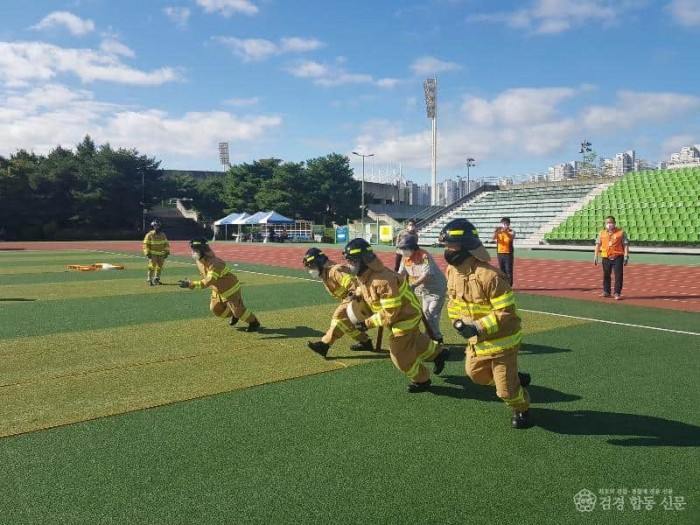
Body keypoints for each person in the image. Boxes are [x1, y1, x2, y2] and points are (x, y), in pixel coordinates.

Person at [439, 218, 532, 429]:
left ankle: (523, 409)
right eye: (445, 246)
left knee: (506, 392)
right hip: (477, 342)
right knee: (476, 376)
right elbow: (453, 301)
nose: (447, 251)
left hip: (502, 342)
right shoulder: (452, 271)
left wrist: (478, 327)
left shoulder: (490, 277)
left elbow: (506, 313)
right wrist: (457, 321)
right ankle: (514, 379)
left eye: (451, 246)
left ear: (466, 247)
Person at [342, 238, 448, 393]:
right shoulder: (366, 274)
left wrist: (367, 323)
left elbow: (390, 313)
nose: (349, 264)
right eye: (348, 260)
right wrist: (357, 293)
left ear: (363, 261)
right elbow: (365, 289)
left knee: (399, 355)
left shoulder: (383, 281)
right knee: (415, 340)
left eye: (352, 261)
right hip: (403, 315)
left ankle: (422, 380)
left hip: (405, 318)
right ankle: (438, 354)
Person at [303, 247, 374, 357]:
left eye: (312, 266)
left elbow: (353, 284)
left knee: (339, 315)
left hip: (359, 299)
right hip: (352, 301)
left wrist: (352, 296)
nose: (310, 270)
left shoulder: (335, 271)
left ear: (319, 263)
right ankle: (365, 342)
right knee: (344, 324)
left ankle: (324, 344)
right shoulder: (325, 275)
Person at [179, 238, 260, 332]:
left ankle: (254, 323)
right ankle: (234, 313)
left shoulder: (214, 263)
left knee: (239, 313)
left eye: (195, 250)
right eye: (192, 250)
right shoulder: (199, 261)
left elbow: (207, 282)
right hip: (217, 290)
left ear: (203, 251)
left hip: (230, 290)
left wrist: (190, 284)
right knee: (215, 309)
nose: (193, 253)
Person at [397, 237, 447, 345]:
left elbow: (427, 275)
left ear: (412, 248)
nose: (402, 251)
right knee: (425, 314)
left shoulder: (424, 256)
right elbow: (400, 274)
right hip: (425, 291)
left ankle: (437, 339)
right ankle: (429, 337)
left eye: (404, 249)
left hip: (437, 288)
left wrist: (413, 285)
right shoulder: (405, 259)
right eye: (401, 249)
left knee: (431, 315)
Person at [594, 215, 630, 300]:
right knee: (606, 275)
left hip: (617, 257)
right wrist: (596, 256)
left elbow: (625, 245)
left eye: (611, 222)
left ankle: (617, 293)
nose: (609, 224)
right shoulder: (601, 233)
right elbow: (597, 244)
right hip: (606, 257)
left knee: (618, 275)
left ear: (614, 223)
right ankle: (606, 292)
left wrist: (626, 256)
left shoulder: (621, 232)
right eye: (607, 223)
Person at [142, 220, 170, 286]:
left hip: (161, 255)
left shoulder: (163, 235)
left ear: (160, 227)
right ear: (152, 227)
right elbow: (145, 244)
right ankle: (149, 280)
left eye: (157, 226)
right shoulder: (149, 234)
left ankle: (156, 279)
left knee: (160, 267)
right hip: (152, 255)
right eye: (155, 226)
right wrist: (147, 253)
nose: (156, 227)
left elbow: (166, 244)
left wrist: (167, 252)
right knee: (151, 267)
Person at [492, 217, 515, 286]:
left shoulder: (511, 231)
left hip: (508, 253)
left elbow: (512, 237)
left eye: (505, 223)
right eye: (502, 223)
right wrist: (495, 232)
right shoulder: (499, 231)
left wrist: (505, 231)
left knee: (508, 269)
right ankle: (503, 284)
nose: (503, 225)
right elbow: (493, 238)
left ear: (508, 224)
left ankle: (509, 285)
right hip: (500, 253)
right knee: (501, 270)